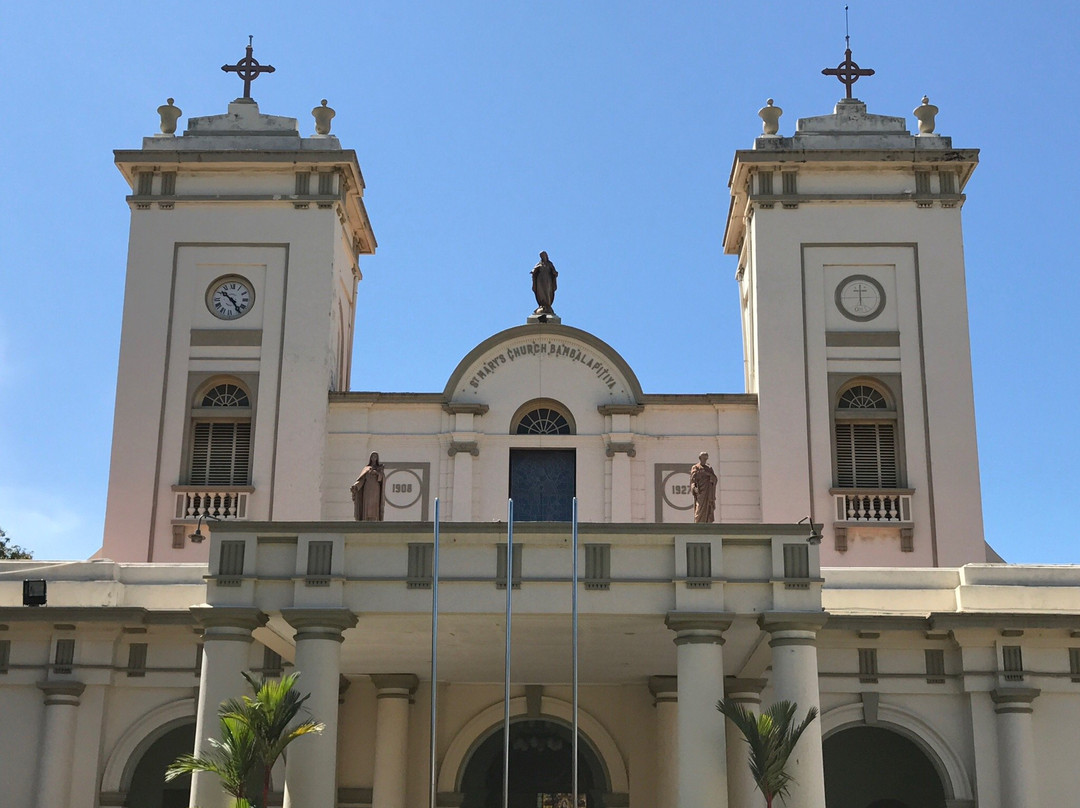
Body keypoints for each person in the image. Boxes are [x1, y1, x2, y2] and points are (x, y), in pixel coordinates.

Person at [351, 452, 386, 521]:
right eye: (373, 456)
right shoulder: (366, 468)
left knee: (374, 504)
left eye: (375, 456)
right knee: (367, 503)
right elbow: (362, 480)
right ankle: (365, 518)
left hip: (376, 489)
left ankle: (375, 518)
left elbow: (382, 478)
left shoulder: (379, 468)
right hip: (367, 488)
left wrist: (377, 473)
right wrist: (356, 486)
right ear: (370, 458)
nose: (374, 458)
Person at [690, 451, 717, 523]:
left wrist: (710, 475)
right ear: (700, 458)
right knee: (699, 508)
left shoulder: (709, 468)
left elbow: (714, 479)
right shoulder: (695, 467)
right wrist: (694, 488)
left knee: (708, 508)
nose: (705, 460)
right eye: (703, 458)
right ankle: (698, 523)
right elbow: (693, 480)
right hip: (700, 492)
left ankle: (707, 522)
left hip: (708, 492)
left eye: (706, 458)